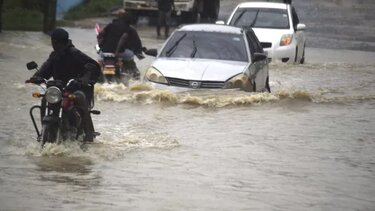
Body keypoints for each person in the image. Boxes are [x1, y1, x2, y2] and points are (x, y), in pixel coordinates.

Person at [27, 28, 101, 142]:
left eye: (54, 42)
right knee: (44, 99)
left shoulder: (75, 54)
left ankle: (89, 134)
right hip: (59, 89)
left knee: (79, 98)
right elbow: (46, 69)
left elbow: (94, 66)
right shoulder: (54, 56)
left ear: (56, 42)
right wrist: (36, 77)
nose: (53, 44)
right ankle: (44, 131)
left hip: (77, 88)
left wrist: (84, 79)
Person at [97, 10, 143, 79]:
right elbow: (137, 43)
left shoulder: (110, 25)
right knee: (130, 57)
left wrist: (101, 46)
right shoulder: (130, 29)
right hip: (119, 52)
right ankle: (133, 73)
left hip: (105, 52)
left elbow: (100, 35)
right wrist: (139, 53)